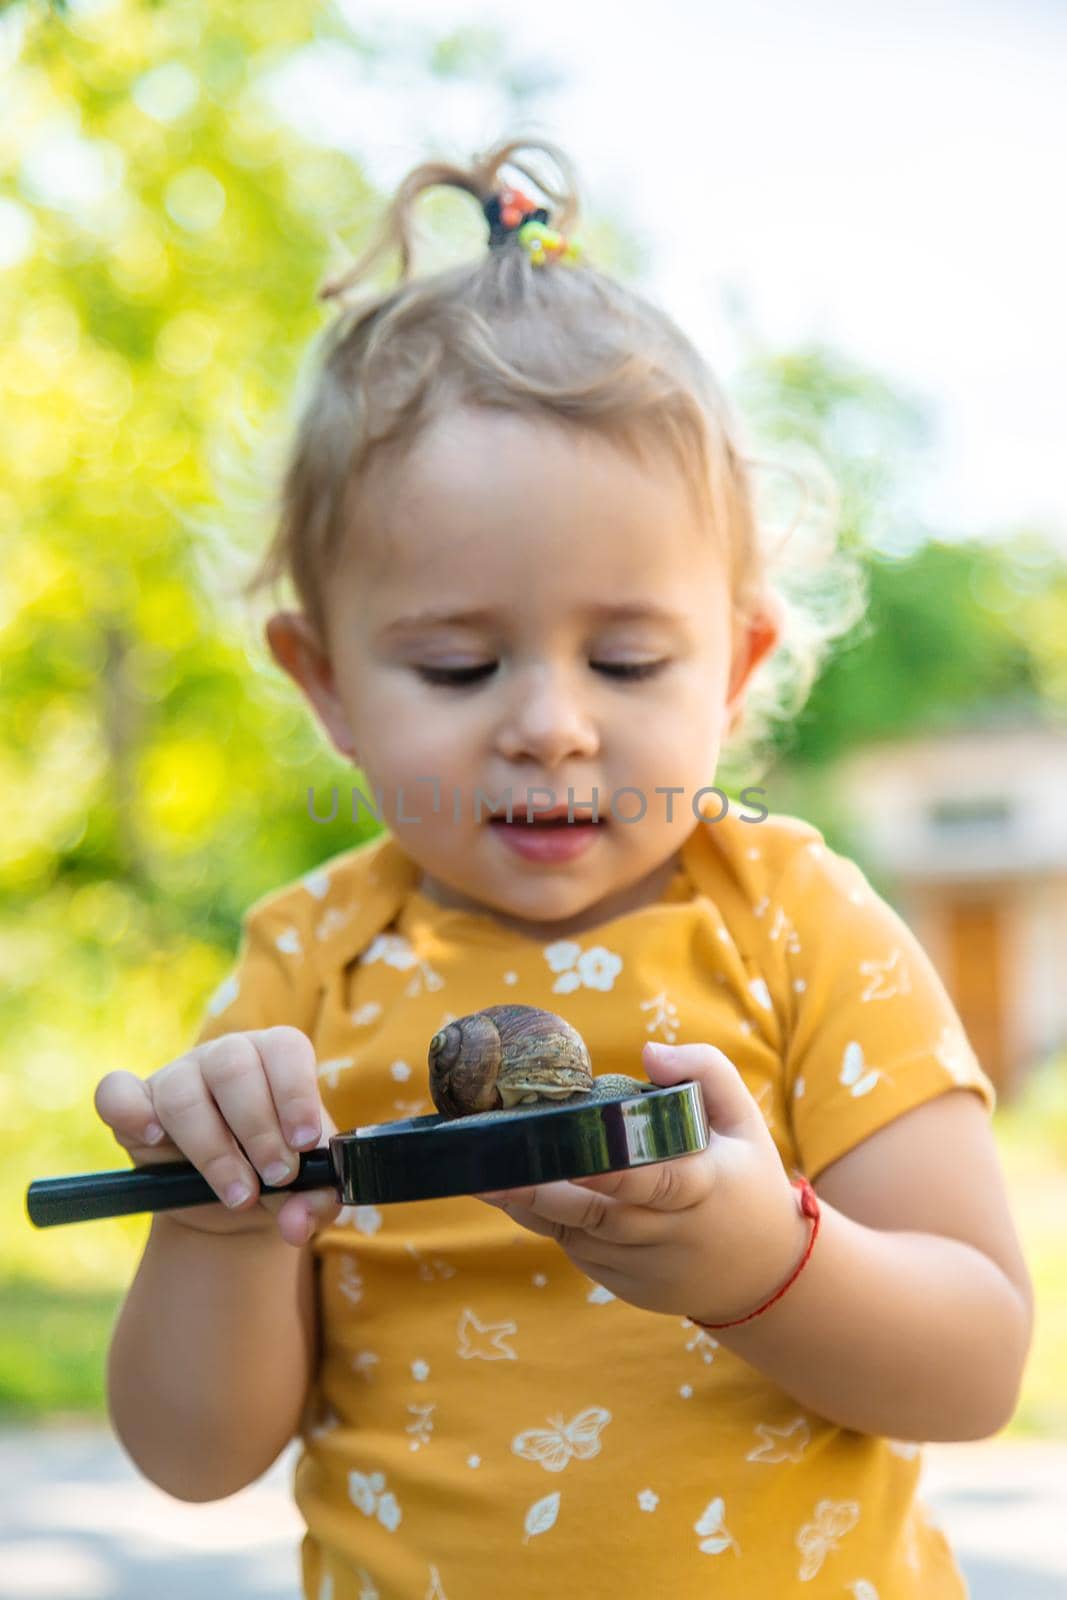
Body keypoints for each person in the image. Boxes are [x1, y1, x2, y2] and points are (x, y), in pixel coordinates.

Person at [95, 136, 1034, 1599]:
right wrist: (216, 1232)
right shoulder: (305, 973)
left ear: (735, 667)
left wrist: (766, 1266)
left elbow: (976, 1364)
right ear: (325, 680)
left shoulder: (797, 926)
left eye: (627, 657)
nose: (549, 725)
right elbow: (193, 1455)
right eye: (459, 665)